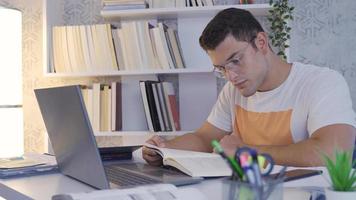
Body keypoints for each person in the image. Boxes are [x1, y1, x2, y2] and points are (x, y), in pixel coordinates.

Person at [142, 8, 356, 167]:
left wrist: (246, 152)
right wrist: (165, 147)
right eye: (221, 68)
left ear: (261, 43)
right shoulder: (233, 90)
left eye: (236, 60)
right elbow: (205, 139)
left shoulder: (322, 83)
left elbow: (334, 153)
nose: (230, 76)